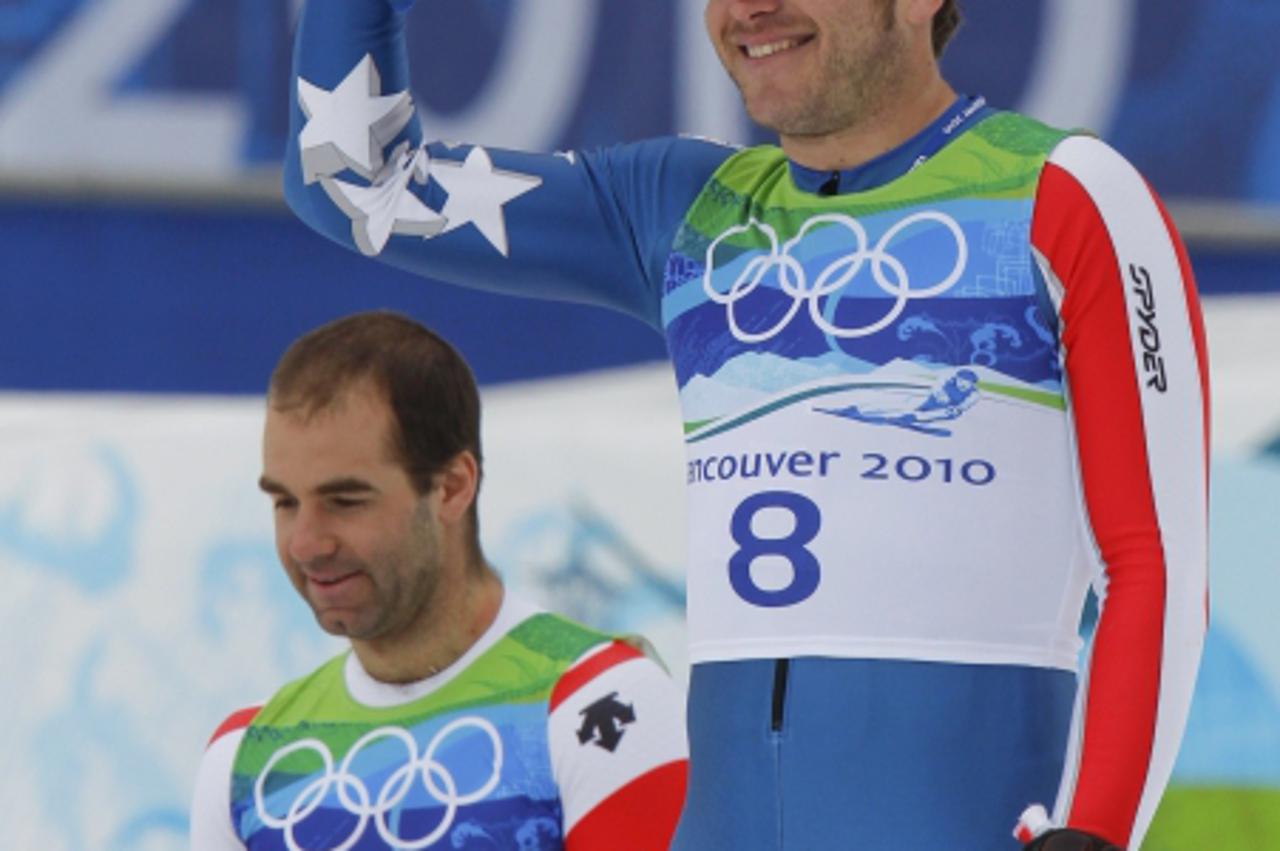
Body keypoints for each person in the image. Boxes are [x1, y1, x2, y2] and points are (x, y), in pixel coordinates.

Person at [281, 1, 1211, 848]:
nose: (748, 12)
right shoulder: (686, 207)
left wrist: (1094, 834)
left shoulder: (1063, 193)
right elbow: (352, 182)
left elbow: (1156, 562)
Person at [189, 311, 689, 850]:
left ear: (452, 487)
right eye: (285, 502)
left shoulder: (599, 706)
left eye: (345, 501)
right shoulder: (246, 758)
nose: (306, 542)